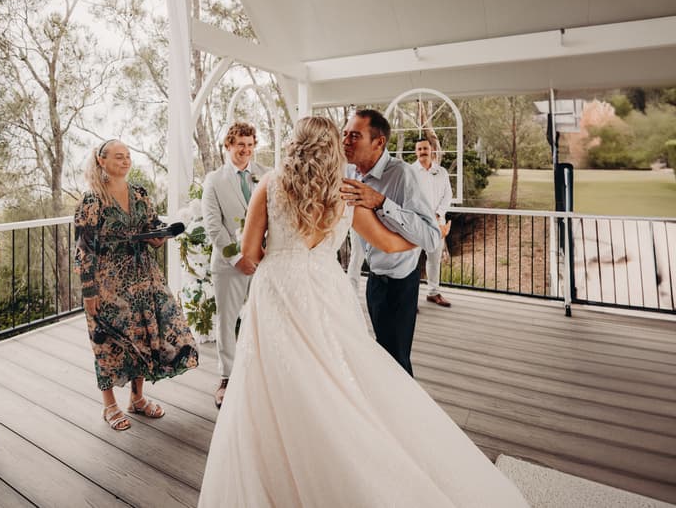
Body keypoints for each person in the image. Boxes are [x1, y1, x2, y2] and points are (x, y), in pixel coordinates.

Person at [198, 117, 529, 507]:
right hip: (324, 286)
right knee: (336, 373)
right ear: (331, 148)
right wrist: (432, 235)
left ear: (295, 144)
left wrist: (274, 249)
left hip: (276, 288)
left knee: (272, 378)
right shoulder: (348, 191)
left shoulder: (270, 184)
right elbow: (389, 245)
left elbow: (250, 254)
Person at [74, 139, 199, 431]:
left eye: (128, 156)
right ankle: (109, 405)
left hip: (144, 276)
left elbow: (151, 227)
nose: (126, 160)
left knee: (144, 336)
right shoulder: (91, 201)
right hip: (108, 281)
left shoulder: (139, 194)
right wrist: (89, 291)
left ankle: (137, 399)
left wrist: (158, 237)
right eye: (119, 156)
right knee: (108, 341)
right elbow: (83, 249)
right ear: (102, 161)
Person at [341, 109, 442, 377]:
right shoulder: (349, 170)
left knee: (397, 362)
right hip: (373, 279)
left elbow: (432, 238)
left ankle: (407, 415)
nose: (346, 141)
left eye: (354, 136)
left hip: (400, 284)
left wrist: (381, 202)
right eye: (344, 135)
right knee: (379, 356)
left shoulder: (404, 176)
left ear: (378, 142)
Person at [201, 122, 270, 408]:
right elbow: (214, 227)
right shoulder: (214, 180)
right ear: (228, 146)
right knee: (227, 321)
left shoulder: (266, 175)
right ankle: (227, 377)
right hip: (229, 264)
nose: (246, 150)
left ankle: (261, 373)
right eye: (240, 144)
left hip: (264, 261)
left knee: (262, 318)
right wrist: (237, 258)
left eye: (250, 144)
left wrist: (261, 254)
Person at [412, 138, 454, 307]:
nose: (423, 151)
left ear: (432, 150)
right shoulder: (410, 171)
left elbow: (448, 195)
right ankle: (409, 300)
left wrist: (438, 213)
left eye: (425, 148)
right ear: (416, 152)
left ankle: (434, 293)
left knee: (434, 259)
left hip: (437, 223)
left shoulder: (442, 172)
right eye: (419, 149)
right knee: (411, 262)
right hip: (416, 222)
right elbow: (408, 197)